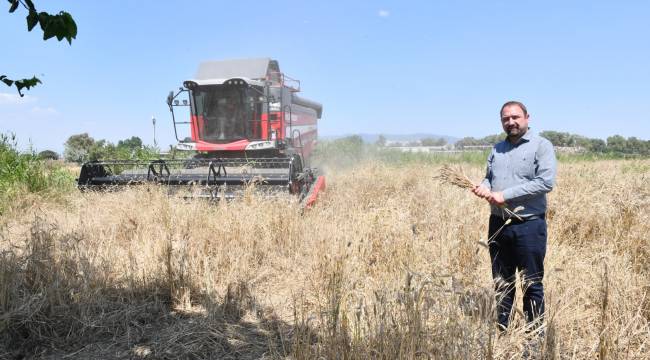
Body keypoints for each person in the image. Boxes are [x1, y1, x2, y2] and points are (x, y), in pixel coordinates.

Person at [472, 101, 557, 330]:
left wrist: (505, 195)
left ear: (527, 117)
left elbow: (545, 182)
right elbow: (489, 177)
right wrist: (483, 187)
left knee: (531, 284)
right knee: (501, 283)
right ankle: (502, 331)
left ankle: (534, 337)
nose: (511, 122)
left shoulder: (542, 146)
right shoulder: (497, 149)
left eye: (515, 117)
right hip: (498, 224)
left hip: (528, 225)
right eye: (505, 119)